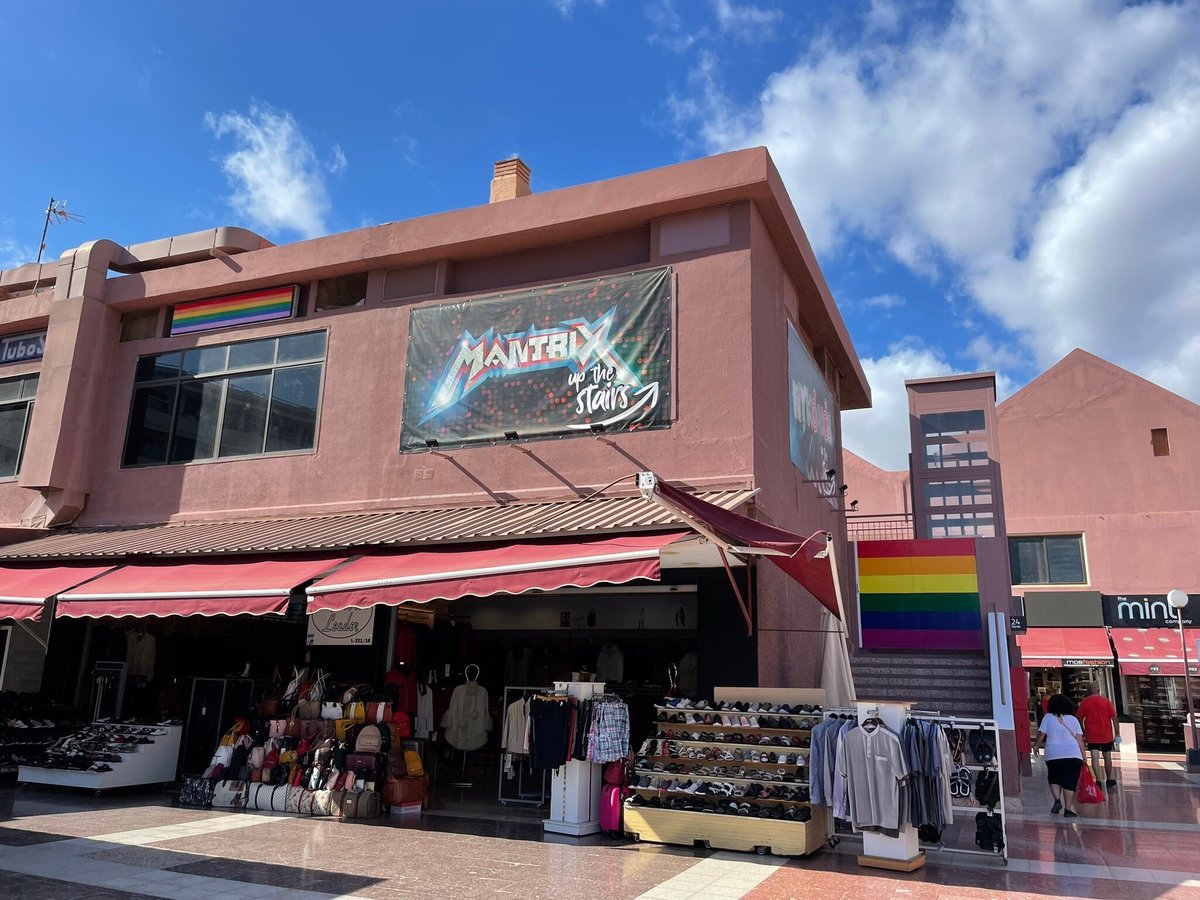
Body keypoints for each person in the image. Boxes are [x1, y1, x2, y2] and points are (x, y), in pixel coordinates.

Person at [1032, 693, 1086, 818]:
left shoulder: (1048, 717)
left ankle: (1057, 800)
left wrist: (1035, 746)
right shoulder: (1073, 719)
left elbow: (1041, 734)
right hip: (1073, 754)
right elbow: (1079, 740)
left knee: (1054, 777)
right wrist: (1084, 756)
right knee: (1070, 781)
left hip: (1053, 753)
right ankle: (1068, 808)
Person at [1077, 681, 1120, 788]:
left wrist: (1083, 730)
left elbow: (1079, 718)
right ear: (1099, 690)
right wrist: (1117, 733)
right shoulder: (1106, 701)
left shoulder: (1085, 702)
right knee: (1107, 757)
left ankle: (1098, 780)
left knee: (1094, 757)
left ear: (1088, 691)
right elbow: (1114, 718)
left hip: (1092, 734)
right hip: (1106, 734)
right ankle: (1109, 779)